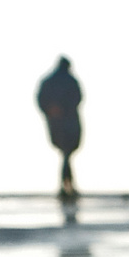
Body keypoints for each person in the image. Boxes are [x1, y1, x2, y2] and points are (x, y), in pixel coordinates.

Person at [36, 57, 83, 199]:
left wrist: (51, 110)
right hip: (66, 122)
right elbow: (78, 97)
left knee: (66, 154)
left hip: (58, 122)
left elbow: (41, 99)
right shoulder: (70, 80)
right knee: (66, 154)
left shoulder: (48, 81)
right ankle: (67, 186)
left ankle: (66, 186)